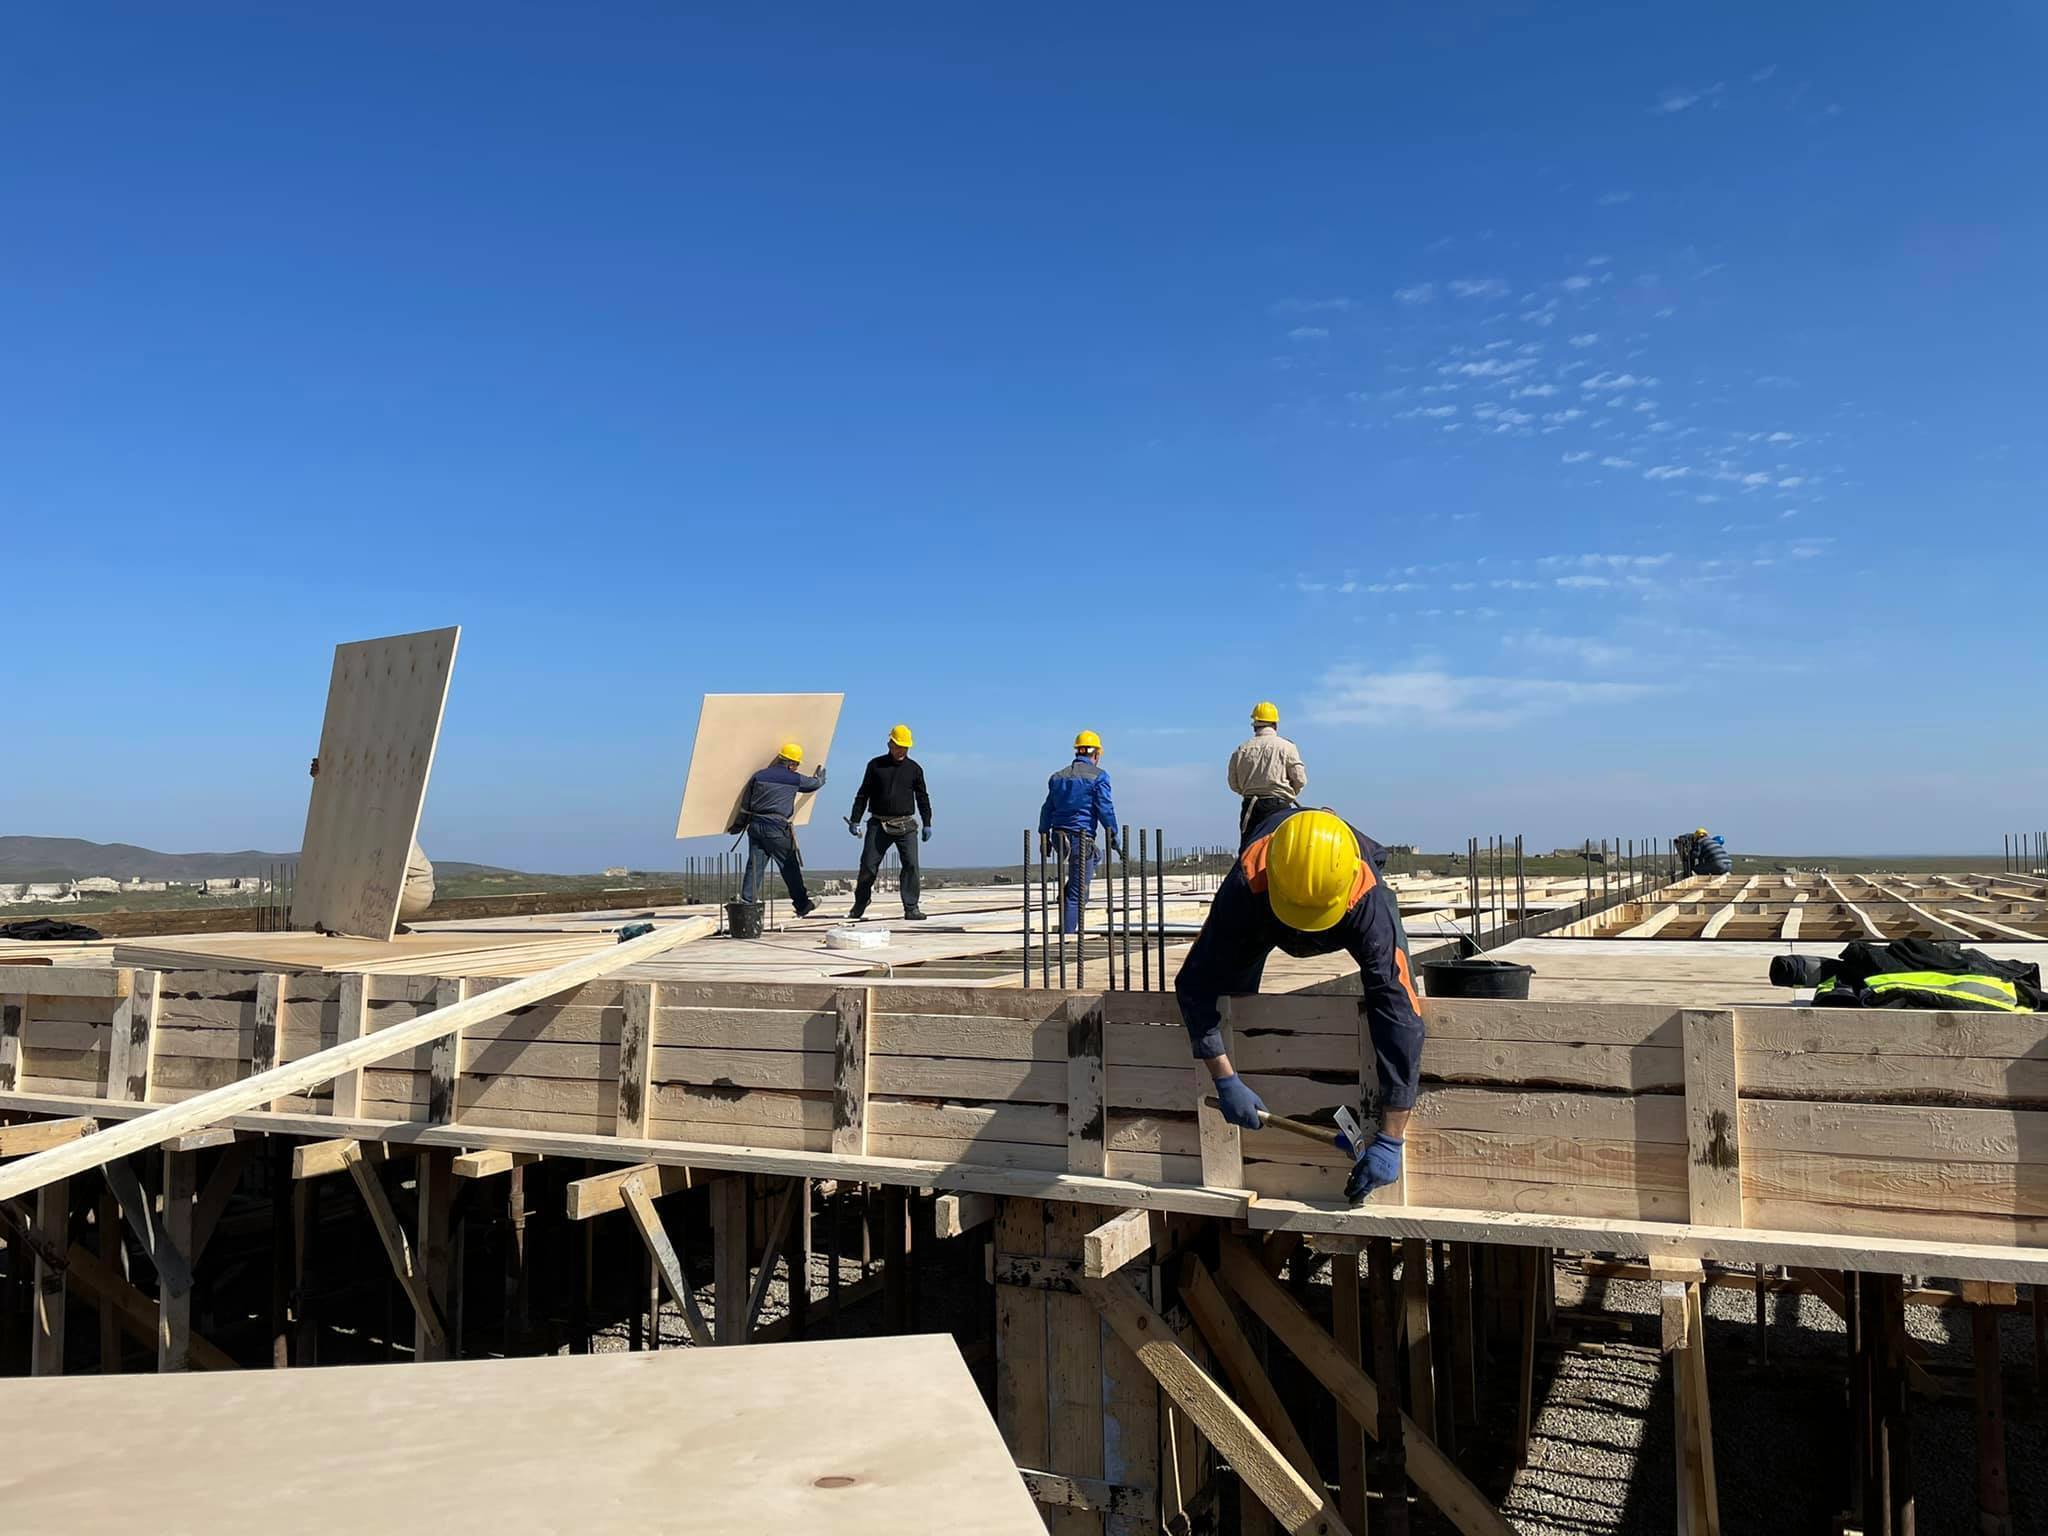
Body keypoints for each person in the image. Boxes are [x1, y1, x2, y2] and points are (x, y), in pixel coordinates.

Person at [1173, 806, 1425, 1201]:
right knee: (1233, 998)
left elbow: (1399, 1013)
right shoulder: (1248, 880)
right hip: (1265, 908)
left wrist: (1392, 1137)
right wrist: (1224, 1078)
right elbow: (1194, 984)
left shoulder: (1367, 896)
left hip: (1338, 905)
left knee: (1391, 990)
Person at [846, 723, 933, 921]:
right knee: (868, 866)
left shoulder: (914, 769)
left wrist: (927, 822)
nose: (902, 751)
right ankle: (860, 903)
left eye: (905, 747)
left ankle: (911, 908)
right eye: (898, 747)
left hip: (905, 825)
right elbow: (863, 794)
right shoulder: (875, 765)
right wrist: (855, 819)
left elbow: (922, 797)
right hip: (878, 824)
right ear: (890, 744)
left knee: (911, 865)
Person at [1038, 730, 1118, 934]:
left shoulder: (1058, 777)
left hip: (1058, 836)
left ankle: (1065, 900)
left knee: (1093, 859)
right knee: (1078, 892)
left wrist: (1044, 836)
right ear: (1097, 754)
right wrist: (1113, 833)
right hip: (1080, 838)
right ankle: (1067, 936)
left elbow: (1047, 808)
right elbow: (1105, 808)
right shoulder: (1099, 776)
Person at [736, 742, 828, 915]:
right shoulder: (793, 778)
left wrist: (739, 824)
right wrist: (820, 780)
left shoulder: (759, 775)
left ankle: (747, 904)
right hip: (776, 829)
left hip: (755, 826)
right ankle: (802, 904)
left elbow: (746, 804)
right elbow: (812, 785)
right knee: (789, 866)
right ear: (791, 764)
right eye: (796, 765)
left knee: (754, 866)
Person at [1226, 700, 1307, 848]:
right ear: (1275, 725)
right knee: (1281, 852)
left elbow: (1233, 783)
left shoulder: (1241, 750)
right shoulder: (1287, 747)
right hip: (1279, 808)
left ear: (1254, 726)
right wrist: (1289, 792)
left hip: (1251, 808)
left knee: (1249, 853)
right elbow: (1300, 779)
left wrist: (1249, 791)